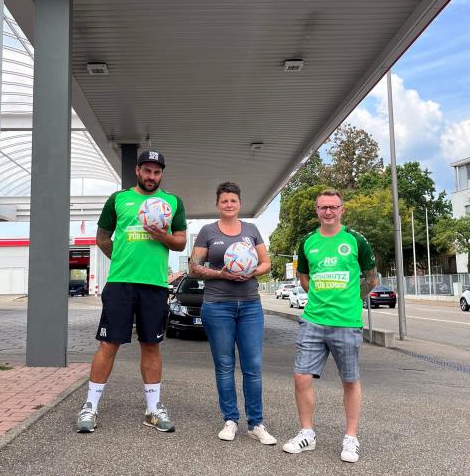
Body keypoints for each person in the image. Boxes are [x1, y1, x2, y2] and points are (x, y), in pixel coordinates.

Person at [76, 150, 187, 433]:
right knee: (109, 343)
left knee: (151, 344)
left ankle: (153, 408)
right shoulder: (118, 199)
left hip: (155, 284)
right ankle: (90, 406)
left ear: (161, 174)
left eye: (157, 172)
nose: (152, 176)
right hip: (121, 283)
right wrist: (123, 259)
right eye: (147, 170)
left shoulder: (173, 202)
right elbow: (102, 238)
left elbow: (181, 243)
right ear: (137, 170)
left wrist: (163, 236)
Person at [282, 188, 377, 463]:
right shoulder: (307, 242)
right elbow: (303, 276)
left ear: (342, 210)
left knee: (349, 380)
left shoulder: (356, 240)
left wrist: (351, 300)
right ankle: (307, 434)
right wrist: (317, 297)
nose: (328, 211)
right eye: (323, 207)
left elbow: (372, 279)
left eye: (333, 207)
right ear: (317, 210)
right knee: (301, 377)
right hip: (312, 320)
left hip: (346, 322)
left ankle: (350, 438)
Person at [189, 181, 276, 445]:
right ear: (218, 204)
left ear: (239, 203)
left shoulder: (251, 230)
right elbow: (194, 267)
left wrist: (252, 271)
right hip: (217, 306)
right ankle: (230, 420)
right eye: (224, 201)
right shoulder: (207, 231)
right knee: (224, 365)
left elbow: (266, 263)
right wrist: (221, 274)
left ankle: (256, 423)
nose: (229, 204)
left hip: (250, 305)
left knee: (253, 366)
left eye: (233, 201)